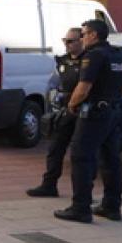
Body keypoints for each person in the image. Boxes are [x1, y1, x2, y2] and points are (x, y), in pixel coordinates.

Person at [54, 19, 122, 223]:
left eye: (84, 33)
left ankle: (80, 208)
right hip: (114, 111)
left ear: (94, 35)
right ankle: (111, 206)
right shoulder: (119, 54)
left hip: (95, 113)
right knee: (111, 158)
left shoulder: (94, 55)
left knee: (81, 157)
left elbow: (84, 87)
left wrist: (71, 105)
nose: (82, 37)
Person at [27, 28, 86, 197]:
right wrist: (52, 105)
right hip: (64, 112)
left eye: (70, 41)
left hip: (83, 113)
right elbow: (53, 84)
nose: (66, 45)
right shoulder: (63, 62)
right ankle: (49, 185)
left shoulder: (90, 60)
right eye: (64, 41)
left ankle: (83, 194)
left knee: (81, 153)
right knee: (55, 149)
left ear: (81, 41)